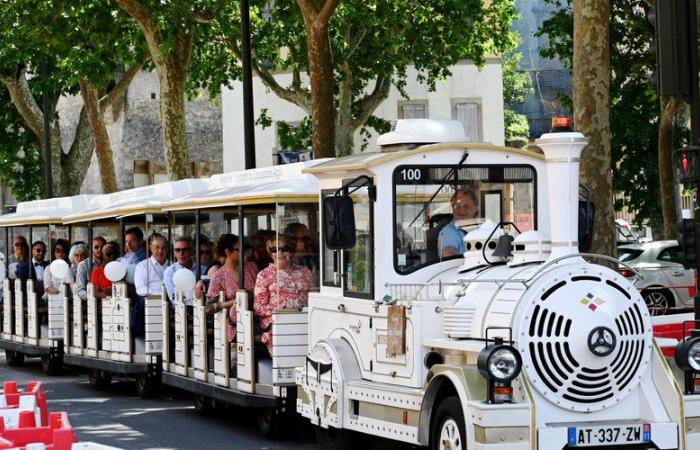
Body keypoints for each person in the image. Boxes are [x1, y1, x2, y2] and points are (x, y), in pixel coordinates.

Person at [254, 234, 314, 353]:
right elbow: (259, 308)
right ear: (270, 253)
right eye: (274, 249)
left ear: (291, 251)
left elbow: (313, 297)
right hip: (278, 321)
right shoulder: (264, 275)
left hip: (303, 319)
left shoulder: (305, 272)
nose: (280, 253)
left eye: (284, 248)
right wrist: (282, 308)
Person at [203, 234, 257, 343]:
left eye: (244, 249)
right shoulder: (219, 276)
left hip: (255, 320)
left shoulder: (251, 267)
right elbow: (208, 308)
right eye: (239, 250)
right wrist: (234, 302)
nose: (243, 253)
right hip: (236, 328)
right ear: (228, 252)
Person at [132, 233, 169, 335]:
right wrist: (161, 294)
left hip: (170, 302)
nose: (160, 251)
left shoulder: (172, 266)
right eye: (157, 247)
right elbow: (140, 289)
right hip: (152, 302)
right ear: (150, 247)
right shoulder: (142, 265)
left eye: (163, 248)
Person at [163, 237, 206, 306]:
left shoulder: (202, 269)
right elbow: (173, 298)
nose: (181, 253)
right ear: (174, 252)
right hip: (180, 310)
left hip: (202, 307)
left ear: (192, 251)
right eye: (177, 250)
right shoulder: (170, 272)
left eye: (185, 250)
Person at [438, 188, 480, 259]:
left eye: (466, 206)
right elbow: (450, 259)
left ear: (475, 208)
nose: (461, 210)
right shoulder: (448, 232)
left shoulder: (484, 228)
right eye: (457, 206)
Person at [75, 236, 106, 301]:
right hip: (90, 304)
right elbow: (80, 290)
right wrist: (94, 296)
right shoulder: (83, 265)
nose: (99, 249)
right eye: (96, 247)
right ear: (91, 248)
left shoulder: (110, 263)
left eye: (102, 247)